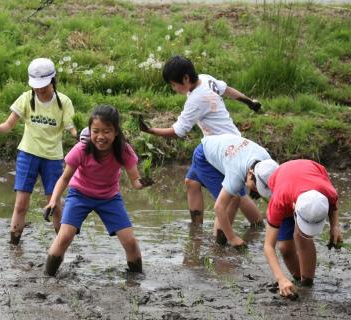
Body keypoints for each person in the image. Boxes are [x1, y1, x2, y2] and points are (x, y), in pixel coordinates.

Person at [139, 55, 262, 226]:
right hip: (230, 139)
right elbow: (226, 90)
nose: (174, 88)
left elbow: (178, 131)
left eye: (174, 84)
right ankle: (196, 230)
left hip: (223, 150)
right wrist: (249, 102)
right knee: (192, 182)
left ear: (186, 78)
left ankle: (250, 228)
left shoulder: (196, 99)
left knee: (235, 195)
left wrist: (150, 130)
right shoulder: (205, 79)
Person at [44, 105, 153, 276]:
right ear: (90, 130)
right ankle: (47, 277)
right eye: (96, 131)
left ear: (116, 131)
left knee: (130, 241)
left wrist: (143, 183)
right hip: (79, 195)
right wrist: (53, 201)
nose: (101, 137)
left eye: (107, 131)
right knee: (64, 236)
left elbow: (135, 182)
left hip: (109, 198)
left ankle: (137, 279)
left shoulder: (123, 150)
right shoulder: (81, 149)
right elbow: (64, 178)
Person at [0, 58, 77, 245]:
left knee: (56, 205)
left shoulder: (63, 102)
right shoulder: (26, 98)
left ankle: (60, 247)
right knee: (21, 204)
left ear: (53, 80)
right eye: (36, 86)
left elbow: (71, 129)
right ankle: (14, 246)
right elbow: (9, 124)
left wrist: (81, 136)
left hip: (52, 158)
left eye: (43, 86)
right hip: (28, 155)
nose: (40, 90)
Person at [248, 159, 342, 298]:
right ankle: (297, 280)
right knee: (284, 247)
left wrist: (335, 226)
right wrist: (281, 278)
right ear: (293, 209)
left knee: (302, 237)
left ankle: (307, 284)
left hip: (311, 175)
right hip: (285, 186)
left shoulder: (328, 192)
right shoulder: (279, 202)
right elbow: (268, 246)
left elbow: (333, 205)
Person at [195, 133, 278, 247]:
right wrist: (232, 238)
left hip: (227, 151)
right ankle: (218, 245)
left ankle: (257, 225)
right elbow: (219, 207)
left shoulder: (268, 164)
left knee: (236, 195)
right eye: (256, 186)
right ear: (250, 173)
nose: (257, 190)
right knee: (232, 199)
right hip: (205, 156)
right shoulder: (236, 174)